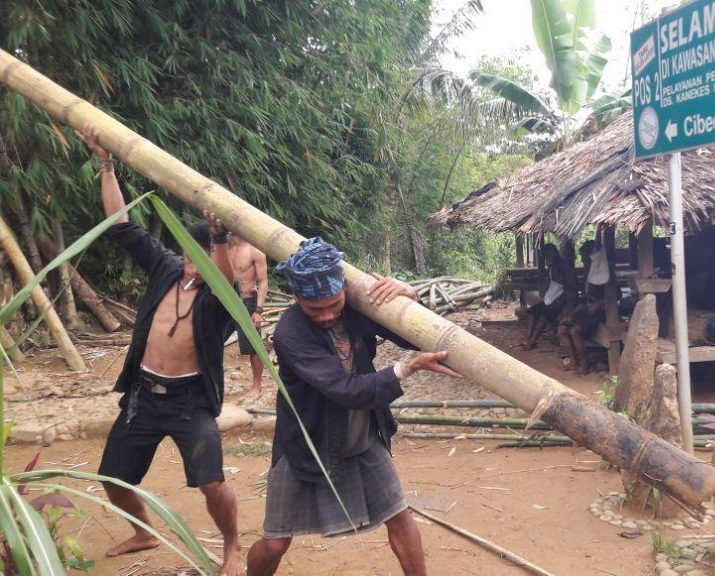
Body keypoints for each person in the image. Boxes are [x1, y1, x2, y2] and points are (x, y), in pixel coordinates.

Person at [77, 124, 245, 576]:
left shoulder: (219, 300)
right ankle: (144, 531)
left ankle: (232, 546)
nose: (196, 259)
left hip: (191, 402)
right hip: (143, 396)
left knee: (211, 482)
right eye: (191, 250)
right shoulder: (166, 268)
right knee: (112, 480)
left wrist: (222, 237)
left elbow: (228, 281)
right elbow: (120, 225)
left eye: (206, 251)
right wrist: (107, 163)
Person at [246, 238, 462, 576]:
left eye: (334, 304)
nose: (328, 315)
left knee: (400, 516)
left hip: (363, 434)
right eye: (315, 309)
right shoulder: (290, 332)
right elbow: (344, 390)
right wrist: (406, 369)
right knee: (275, 541)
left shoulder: (358, 309)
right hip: (308, 441)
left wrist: (409, 297)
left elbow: (414, 337)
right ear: (297, 298)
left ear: (344, 290)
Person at [558, 240, 609, 374]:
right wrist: (571, 313)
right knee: (562, 329)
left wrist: (598, 304)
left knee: (574, 331)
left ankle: (584, 364)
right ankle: (573, 361)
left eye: (586, 258)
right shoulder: (588, 274)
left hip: (601, 312)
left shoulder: (604, 273)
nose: (584, 261)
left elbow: (618, 296)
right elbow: (584, 300)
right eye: (583, 258)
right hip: (587, 311)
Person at [228, 234, 269, 398]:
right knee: (211, 339)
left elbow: (263, 281)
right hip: (223, 300)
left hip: (246, 302)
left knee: (253, 346)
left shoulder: (255, 251)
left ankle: (256, 385)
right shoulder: (222, 247)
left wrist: (258, 310)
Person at [519, 244, 567, 350]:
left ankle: (532, 342)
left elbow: (567, 286)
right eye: (546, 256)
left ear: (555, 253)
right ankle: (528, 337)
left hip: (560, 300)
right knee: (532, 312)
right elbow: (550, 284)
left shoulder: (563, 265)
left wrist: (561, 300)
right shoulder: (551, 267)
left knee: (543, 316)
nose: (548, 257)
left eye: (550, 254)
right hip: (549, 299)